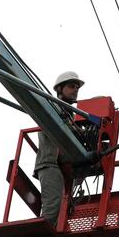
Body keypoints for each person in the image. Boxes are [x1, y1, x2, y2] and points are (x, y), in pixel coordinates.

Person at [33, 71, 84, 226]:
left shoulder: (70, 115)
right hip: (49, 163)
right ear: (59, 89)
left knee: (64, 206)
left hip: (62, 164)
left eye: (77, 87)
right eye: (71, 86)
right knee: (53, 207)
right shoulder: (52, 107)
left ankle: (52, 235)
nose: (75, 90)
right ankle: (43, 236)